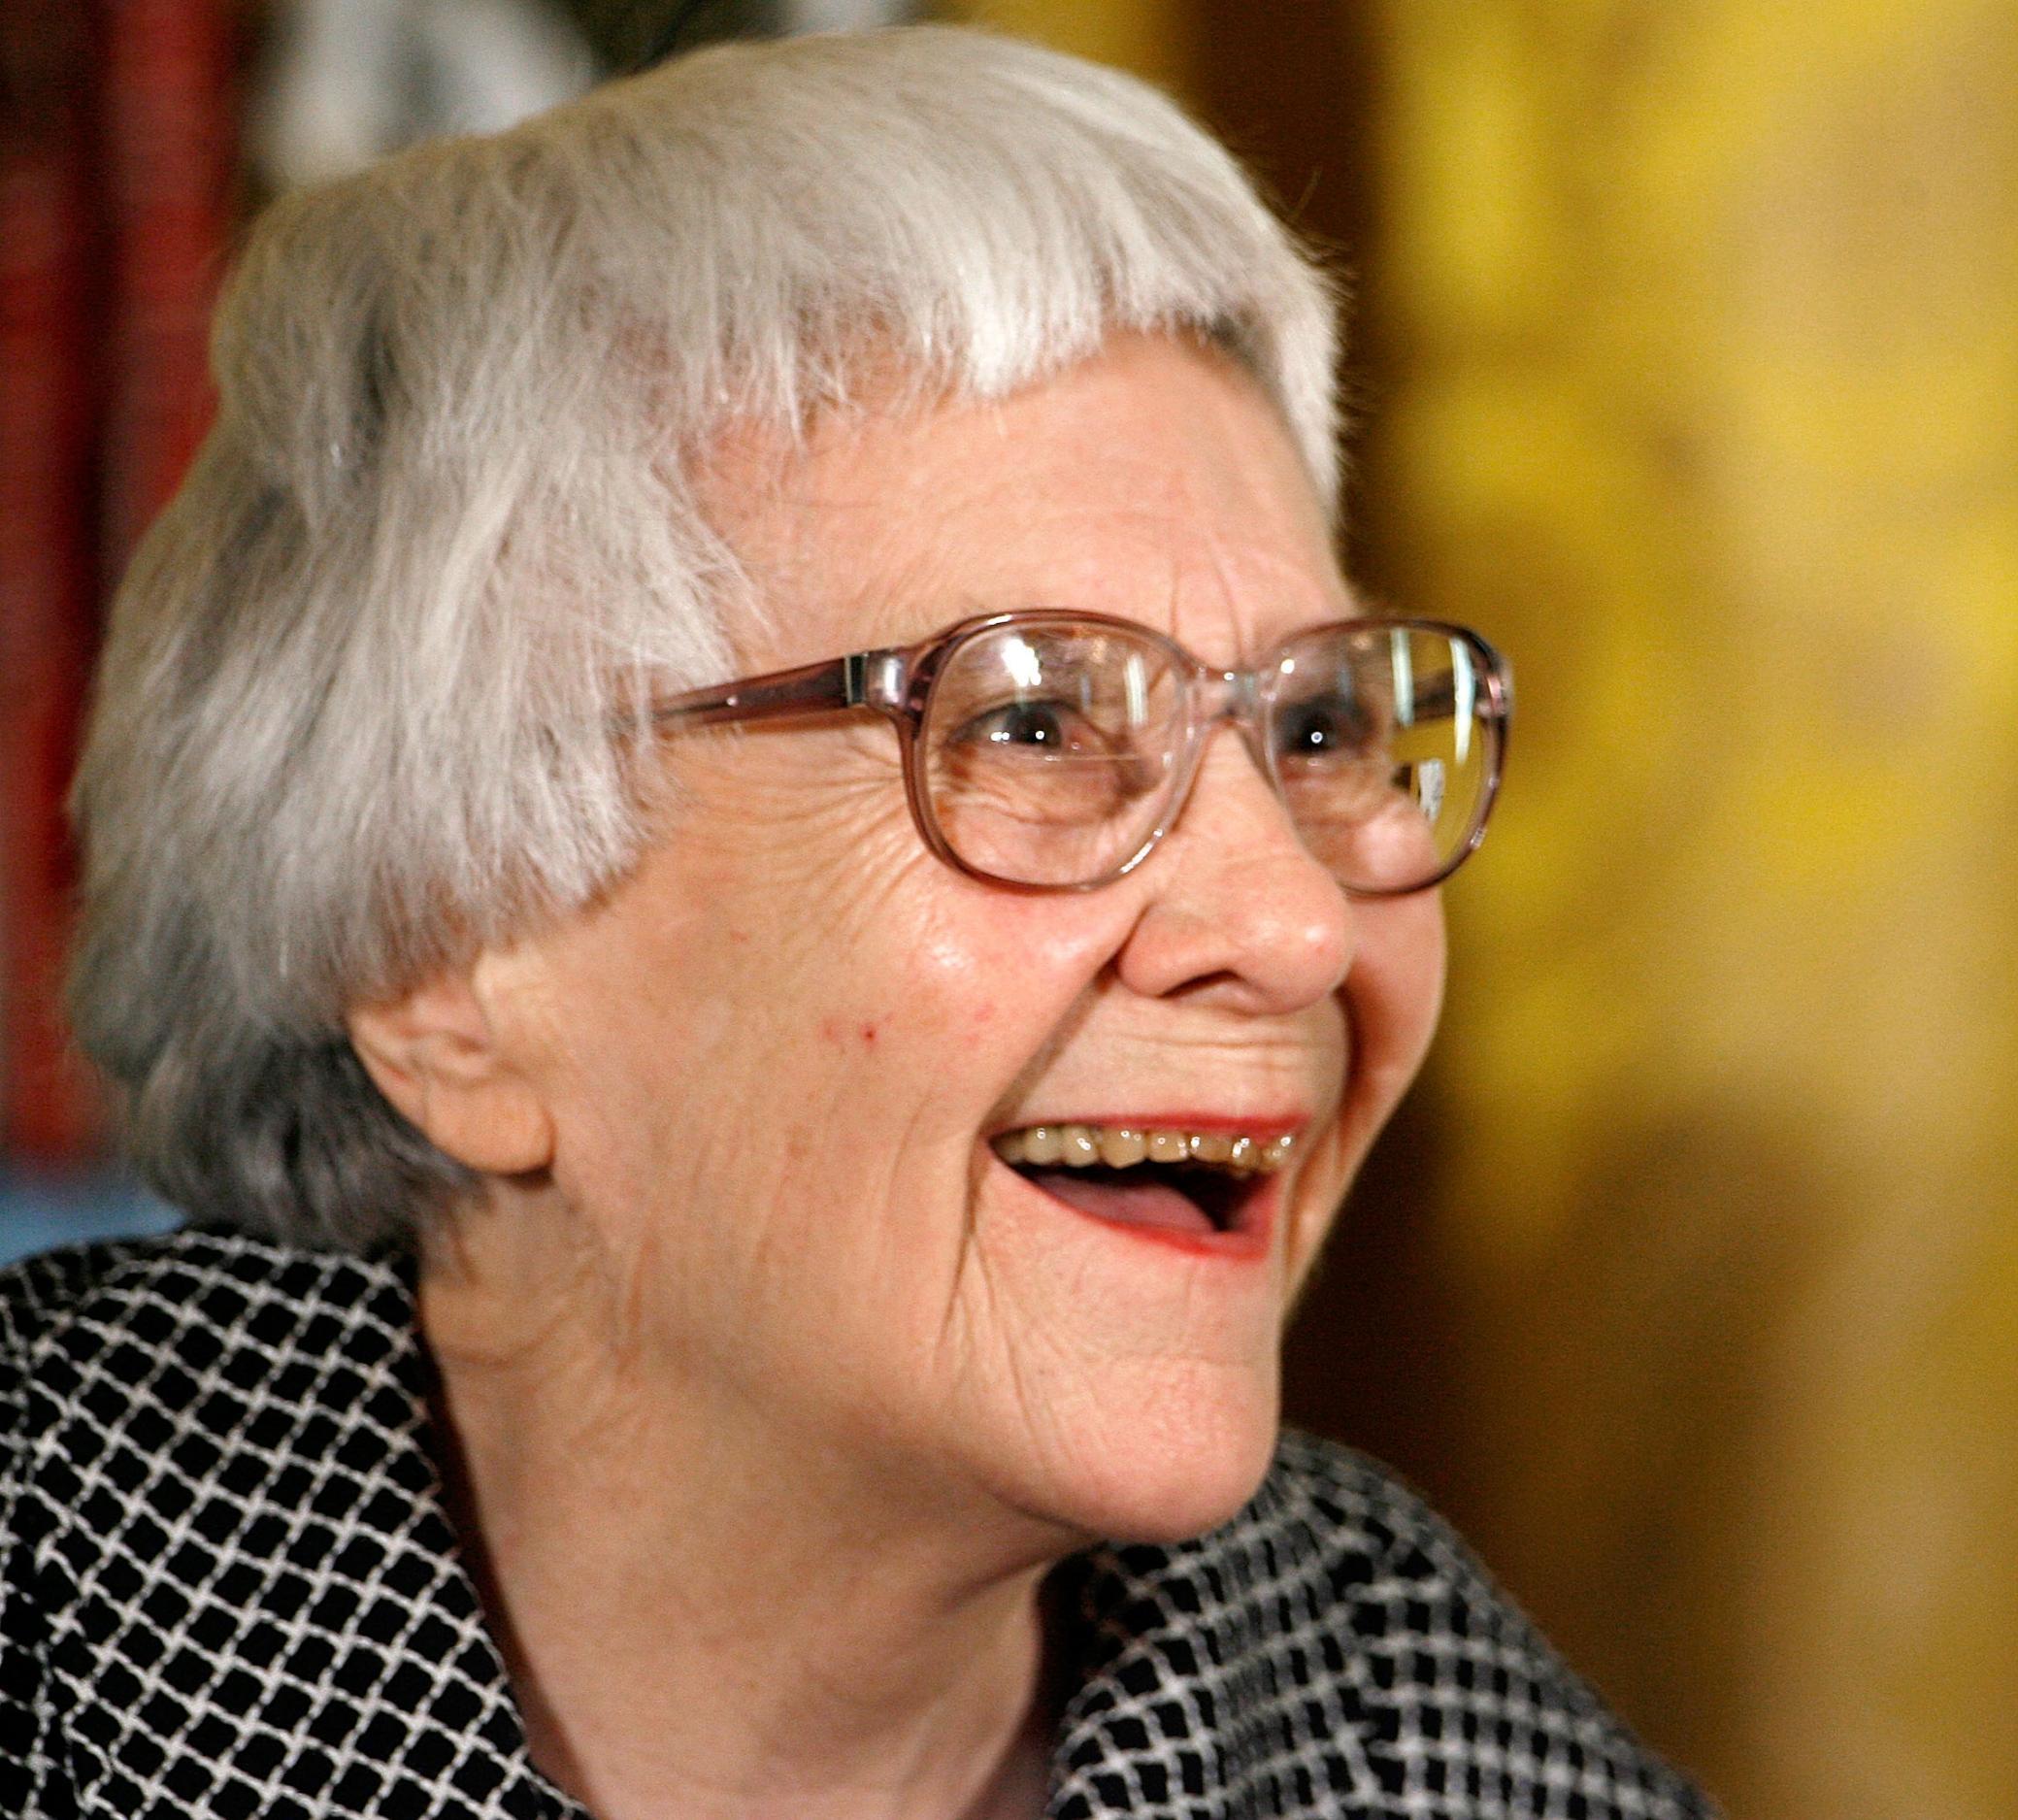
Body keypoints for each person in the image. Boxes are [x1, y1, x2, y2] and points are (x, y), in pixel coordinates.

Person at [4, 27, 1712, 1819]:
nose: (1295, 928)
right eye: (1033, 722)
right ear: (446, 961)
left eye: (1313, 727)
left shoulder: (1407, 1717)